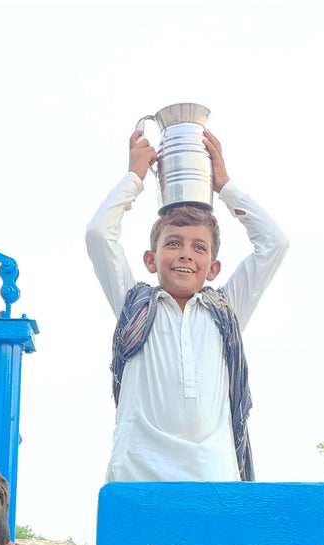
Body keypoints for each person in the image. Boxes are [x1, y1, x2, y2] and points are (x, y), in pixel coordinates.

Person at [86, 127, 289, 483]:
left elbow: (275, 243)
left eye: (199, 247)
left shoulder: (226, 311)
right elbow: (98, 234)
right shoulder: (133, 306)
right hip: (137, 475)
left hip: (213, 478)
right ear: (151, 259)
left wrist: (224, 185)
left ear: (213, 268)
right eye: (173, 243)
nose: (185, 254)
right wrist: (135, 177)